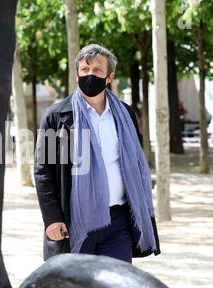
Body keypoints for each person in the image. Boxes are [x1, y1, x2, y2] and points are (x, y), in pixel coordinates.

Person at [34, 44, 160, 263]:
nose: (90, 75)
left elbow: (134, 163)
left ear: (109, 77)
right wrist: (52, 219)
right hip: (75, 222)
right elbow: (43, 171)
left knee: (114, 287)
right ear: (76, 74)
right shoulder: (57, 117)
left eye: (97, 71)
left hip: (118, 220)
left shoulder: (125, 114)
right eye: (85, 70)